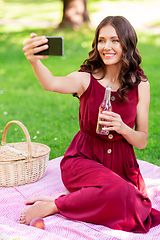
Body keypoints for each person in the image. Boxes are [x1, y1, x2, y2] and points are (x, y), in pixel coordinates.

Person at [19, 16, 160, 233]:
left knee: (134, 201)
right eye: (101, 40)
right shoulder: (86, 79)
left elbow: (141, 141)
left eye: (115, 40)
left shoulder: (140, 85)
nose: (107, 47)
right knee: (123, 194)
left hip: (121, 166)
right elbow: (51, 83)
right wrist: (34, 61)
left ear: (127, 44)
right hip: (83, 159)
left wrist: (123, 128)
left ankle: (62, 201)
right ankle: (55, 205)